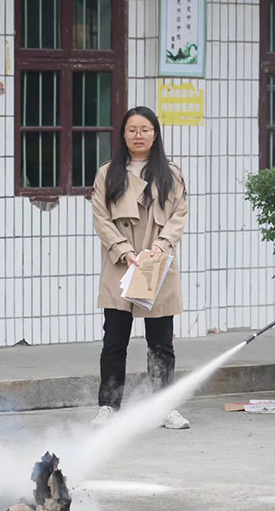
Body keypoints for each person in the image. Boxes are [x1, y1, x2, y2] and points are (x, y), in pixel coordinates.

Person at [89, 107, 189, 429]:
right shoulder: (108, 173)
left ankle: (164, 408)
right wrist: (123, 250)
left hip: (156, 267)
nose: (138, 135)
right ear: (123, 134)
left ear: (155, 134)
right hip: (121, 266)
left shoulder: (171, 173)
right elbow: (101, 218)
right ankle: (108, 406)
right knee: (114, 341)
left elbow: (179, 216)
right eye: (132, 130)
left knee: (161, 342)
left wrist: (159, 248)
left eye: (145, 129)